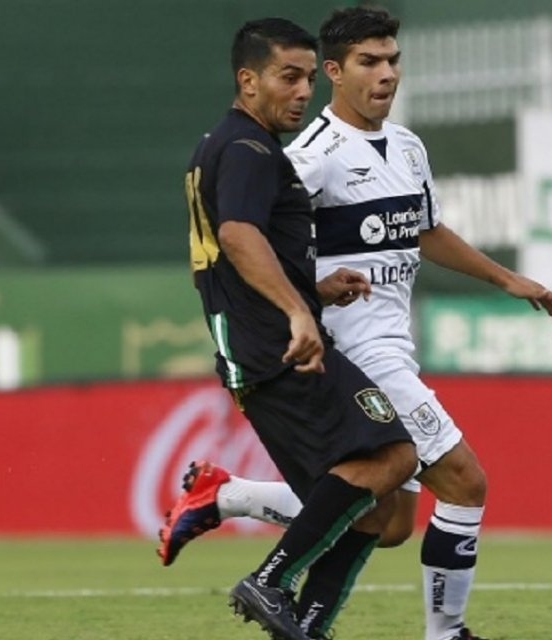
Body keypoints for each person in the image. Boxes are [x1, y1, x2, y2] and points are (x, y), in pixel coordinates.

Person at [160, 7, 552, 640]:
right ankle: (447, 632)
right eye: (369, 62)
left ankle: (229, 498)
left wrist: (505, 278)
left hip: (393, 345)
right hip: (353, 350)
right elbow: (250, 237)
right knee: (463, 481)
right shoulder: (307, 156)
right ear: (335, 72)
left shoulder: (407, 147)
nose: (387, 74)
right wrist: (301, 308)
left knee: (388, 521)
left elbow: (425, 230)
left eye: (393, 60)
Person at [160, 16, 419, 640]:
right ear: (248, 81)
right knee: (394, 456)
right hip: (279, 349)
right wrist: (298, 311)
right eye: (288, 77)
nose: (303, 92)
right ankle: (270, 580)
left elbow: (237, 251)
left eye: (307, 78)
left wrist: (313, 289)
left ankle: (307, 625)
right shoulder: (249, 150)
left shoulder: (223, 146)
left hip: (260, 347)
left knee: (370, 505)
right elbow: (238, 236)